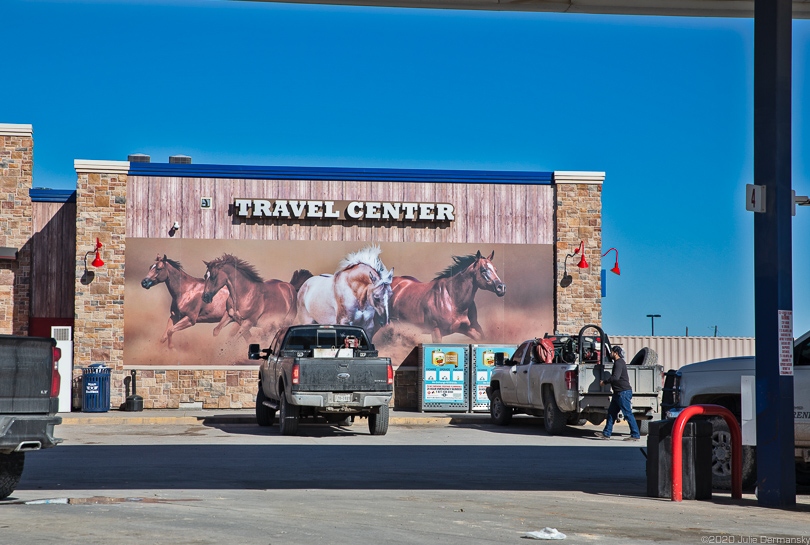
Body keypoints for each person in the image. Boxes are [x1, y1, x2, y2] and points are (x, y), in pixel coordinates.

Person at [595, 346, 640, 441]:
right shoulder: (618, 362)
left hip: (623, 393)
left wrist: (605, 382)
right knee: (611, 413)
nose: (610, 353)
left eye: (611, 352)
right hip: (618, 393)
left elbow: (615, 377)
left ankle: (635, 435)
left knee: (627, 414)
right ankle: (606, 434)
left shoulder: (619, 362)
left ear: (615, 353)